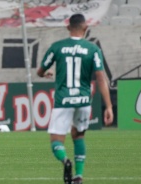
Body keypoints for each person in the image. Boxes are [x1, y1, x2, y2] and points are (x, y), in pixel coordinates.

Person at [37, 13, 113, 184]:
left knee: (56, 140)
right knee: (78, 136)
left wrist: (45, 73)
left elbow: (40, 70)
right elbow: (101, 77)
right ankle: (78, 176)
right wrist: (108, 106)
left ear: (68, 27)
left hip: (63, 100)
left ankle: (66, 160)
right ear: (85, 28)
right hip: (84, 101)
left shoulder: (57, 47)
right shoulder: (93, 49)